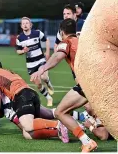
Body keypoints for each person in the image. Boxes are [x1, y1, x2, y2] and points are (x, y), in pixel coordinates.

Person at [30, 19, 97, 152]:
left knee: (60, 112)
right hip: (97, 81)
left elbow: (57, 57)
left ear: (61, 31)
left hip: (87, 83)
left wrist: (42, 69)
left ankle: (86, 141)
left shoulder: (66, 42)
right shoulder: (82, 40)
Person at [0, 60, 69, 143]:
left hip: (22, 96)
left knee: (28, 125)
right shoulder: (9, 72)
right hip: (31, 94)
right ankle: (59, 131)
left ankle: (58, 124)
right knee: (27, 134)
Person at [16, 17, 54, 106]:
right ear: (21, 26)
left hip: (41, 60)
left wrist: (47, 52)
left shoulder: (37, 33)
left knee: (44, 77)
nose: (25, 25)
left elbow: (47, 40)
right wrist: (23, 51)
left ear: (30, 25)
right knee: (38, 84)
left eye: (27, 23)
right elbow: (18, 51)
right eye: (23, 23)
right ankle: (49, 97)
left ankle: (48, 83)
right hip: (30, 64)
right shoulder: (19, 38)